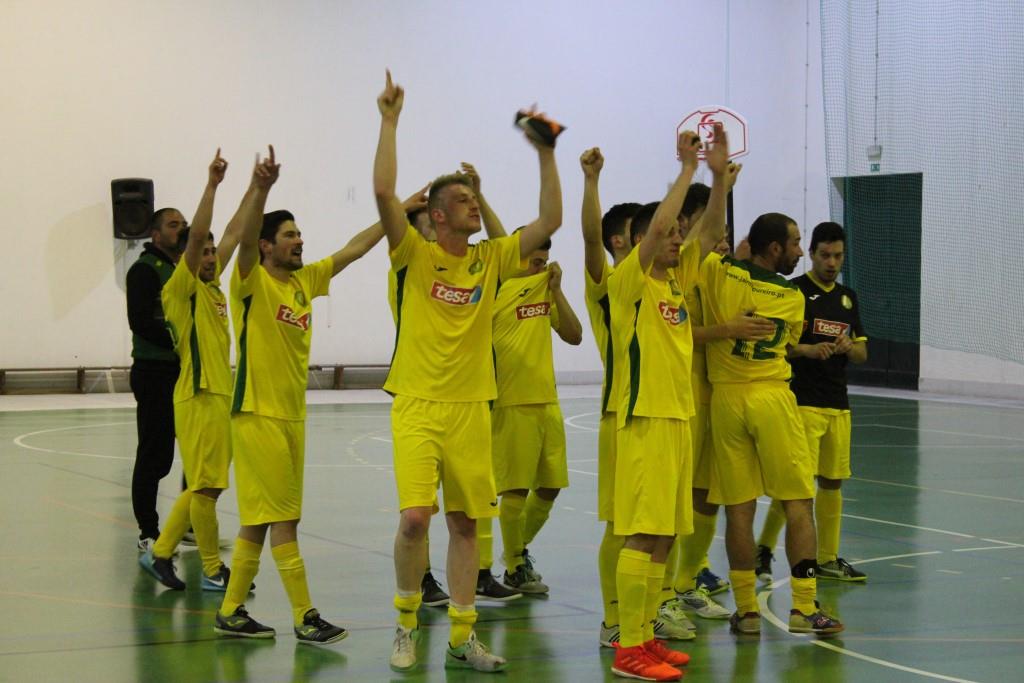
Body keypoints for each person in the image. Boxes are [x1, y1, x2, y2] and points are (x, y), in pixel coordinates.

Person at [373, 70, 562, 673]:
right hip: (418, 404)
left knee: (464, 523)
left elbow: (549, 222)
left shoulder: (490, 258)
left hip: (472, 407)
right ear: (435, 214)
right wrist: (390, 121)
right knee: (414, 519)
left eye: (473, 199)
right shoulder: (414, 254)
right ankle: (405, 625)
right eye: (461, 200)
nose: (472, 204)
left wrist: (546, 153)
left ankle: (461, 637)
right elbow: (384, 193)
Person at [214, 146, 385, 644]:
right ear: (266, 246)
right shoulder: (250, 282)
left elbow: (353, 250)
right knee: (285, 519)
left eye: (299, 233)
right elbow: (243, 239)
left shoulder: (304, 282)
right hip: (257, 414)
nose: (299, 240)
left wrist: (396, 214)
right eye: (289, 235)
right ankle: (305, 616)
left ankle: (231, 610)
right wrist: (261, 189)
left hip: (291, 416)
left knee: (258, 522)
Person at [606, 127, 727, 682]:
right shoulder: (629, 282)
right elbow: (657, 228)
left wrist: (718, 179)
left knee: (665, 535)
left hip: (679, 418)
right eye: (671, 232)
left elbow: (712, 230)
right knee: (643, 534)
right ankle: (628, 648)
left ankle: (645, 634)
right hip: (646, 420)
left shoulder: (676, 281)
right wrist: (687, 168)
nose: (678, 239)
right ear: (641, 242)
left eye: (680, 233)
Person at [699, 211, 845, 638]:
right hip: (771, 396)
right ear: (775, 247)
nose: (800, 251)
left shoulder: (720, 274)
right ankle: (804, 606)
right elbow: (790, 340)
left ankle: (746, 612)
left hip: (726, 399)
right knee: (798, 502)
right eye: (795, 243)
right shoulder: (793, 296)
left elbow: (712, 240)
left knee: (738, 509)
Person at [137, 150, 274, 591]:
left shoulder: (214, 288)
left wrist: (256, 187)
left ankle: (161, 553)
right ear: (187, 258)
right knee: (205, 486)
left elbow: (233, 231)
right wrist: (212, 185)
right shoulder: (182, 288)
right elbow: (197, 236)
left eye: (215, 252)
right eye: (205, 251)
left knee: (204, 486)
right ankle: (213, 570)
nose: (212, 255)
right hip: (196, 397)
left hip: (219, 396)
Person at [754, 221, 868, 583]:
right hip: (803, 403)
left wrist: (849, 348)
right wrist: (808, 349)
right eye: (825, 255)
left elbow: (863, 352)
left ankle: (828, 558)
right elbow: (779, 347)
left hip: (838, 404)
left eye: (838, 256)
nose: (832, 263)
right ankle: (764, 548)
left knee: (832, 481)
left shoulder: (848, 298)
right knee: (798, 486)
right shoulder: (795, 292)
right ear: (813, 254)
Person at [580, 147, 656, 647]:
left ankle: (648, 617)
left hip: (660, 413)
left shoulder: (660, 282)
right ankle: (614, 621)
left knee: (657, 525)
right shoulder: (607, 283)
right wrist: (591, 181)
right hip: (619, 414)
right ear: (619, 241)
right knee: (621, 525)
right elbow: (589, 239)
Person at [482, 238, 582, 598]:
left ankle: (516, 550)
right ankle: (514, 566)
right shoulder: (493, 291)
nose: (540, 268)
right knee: (514, 489)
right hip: (511, 401)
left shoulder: (544, 290)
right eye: (534, 261)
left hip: (547, 401)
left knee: (550, 486)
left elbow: (574, 335)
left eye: (543, 261)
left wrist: (557, 291)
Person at [126, 200, 186, 551]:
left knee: (197, 450)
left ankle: (188, 523)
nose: (181, 229)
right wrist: (179, 341)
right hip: (154, 372)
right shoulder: (145, 270)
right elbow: (140, 321)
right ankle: (148, 531)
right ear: (156, 234)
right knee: (154, 455)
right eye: (173, 225)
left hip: (183, 373)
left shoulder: (183, 269)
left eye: (183, 224)